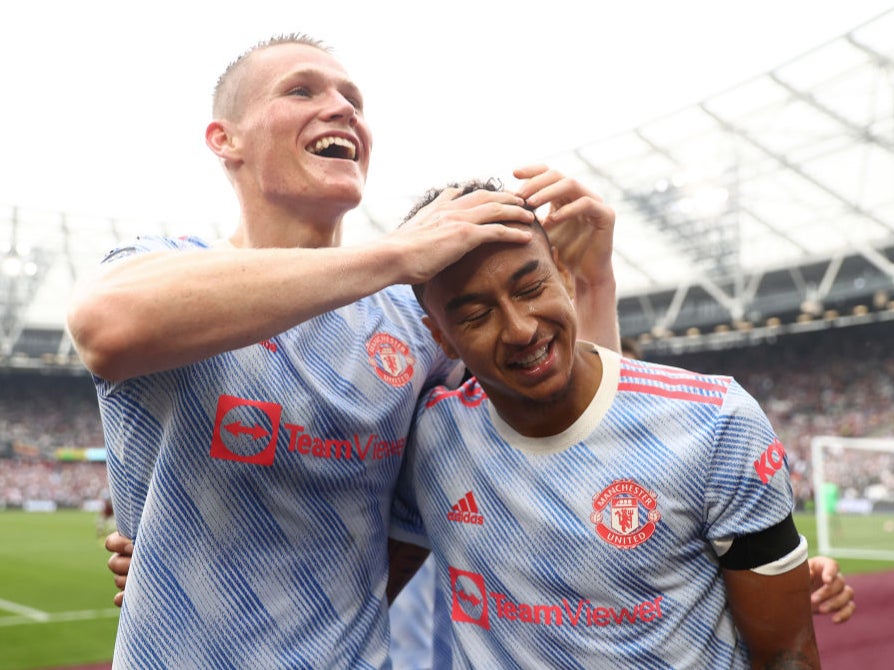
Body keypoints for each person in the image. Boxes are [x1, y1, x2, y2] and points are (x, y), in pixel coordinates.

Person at [68, 34, 618, 668]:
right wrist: (397, 253)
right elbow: (105, 327)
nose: (342, 109)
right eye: (301, 90)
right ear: (226, 139)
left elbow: (576, 445)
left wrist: (592, 282)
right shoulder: (159, 270)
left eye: (352, 99)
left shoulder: (415, 328)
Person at [388, 179, 824, 668]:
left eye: (531, 288)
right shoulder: (429, 439)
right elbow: (358, 602)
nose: (521, 328)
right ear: (441, 338)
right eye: (476, 315)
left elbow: (787, 655)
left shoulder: (716, 423)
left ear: (563, 275)